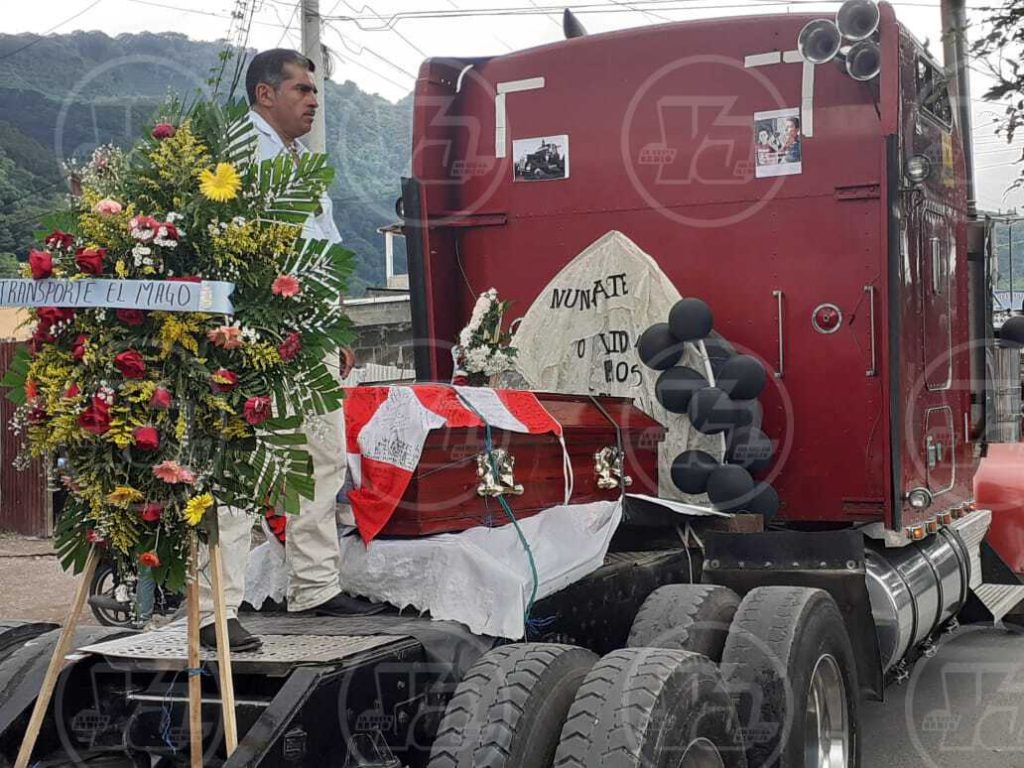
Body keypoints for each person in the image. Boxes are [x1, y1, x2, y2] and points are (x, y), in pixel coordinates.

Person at [197, 49, 381, 652]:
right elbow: (221, 249)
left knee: (319, 461)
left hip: (309, 337)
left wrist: (335, 329)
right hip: (253, 340)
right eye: (301, 88)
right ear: (264, 94)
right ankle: (212, 611)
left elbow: (319, 253)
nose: (312, 100)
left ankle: (316, 586)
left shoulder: (301, 160)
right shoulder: (238, 155)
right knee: (240, 474)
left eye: (315, 91)